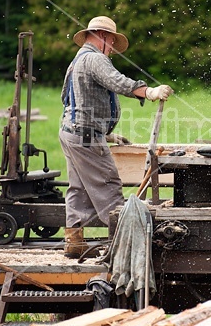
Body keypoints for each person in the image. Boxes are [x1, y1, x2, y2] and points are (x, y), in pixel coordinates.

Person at [59, 15, 173, 258]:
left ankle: (74, 241)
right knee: (109, 185)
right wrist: (149, 91)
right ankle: (124, 246)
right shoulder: (95, 58)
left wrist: (103, 132)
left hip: (72, 133)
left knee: (78, 188)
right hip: (85, 136)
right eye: (111, 43)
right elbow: (117, 82)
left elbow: (69, 100)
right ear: (103, 37)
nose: (111, 50)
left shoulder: (77, 60)